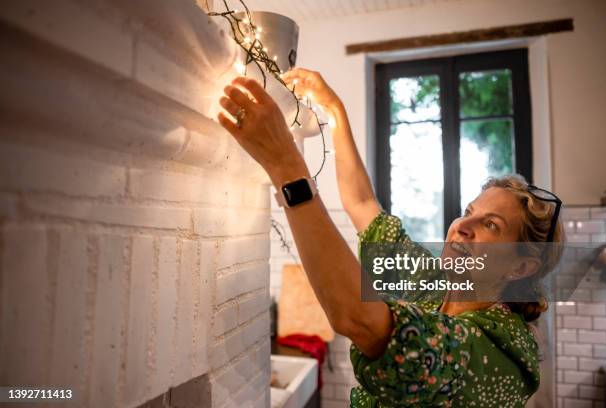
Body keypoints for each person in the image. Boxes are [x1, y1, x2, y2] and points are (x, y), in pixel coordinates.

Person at [217, 68, 565, 407]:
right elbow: (363, 205)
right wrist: (335, 109)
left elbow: (359, 319)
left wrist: (285, 165)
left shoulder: (502, 353)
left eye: (491, 225)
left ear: (521, 267)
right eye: (468, 211)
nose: (463, 225)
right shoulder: (431, 282)